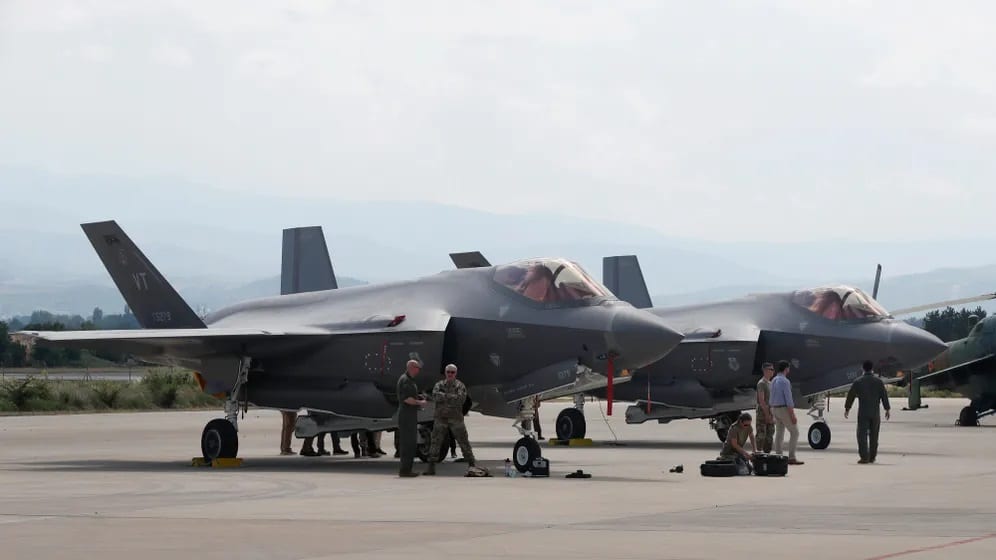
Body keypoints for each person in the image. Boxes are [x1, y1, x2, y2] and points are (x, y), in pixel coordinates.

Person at [425, 363, 476, 475]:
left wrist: (444, 396)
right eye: (448, 372)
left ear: (455, 373)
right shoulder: (439, 385)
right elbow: (435, 396)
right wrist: (451, 397)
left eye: (452, 372)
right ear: (445, 373)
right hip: (441, 418)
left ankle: (472, 464)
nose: (450, 374)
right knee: (435, 442)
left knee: (464, 441)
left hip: (455, 418)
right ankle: (431, 467)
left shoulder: (460, 386)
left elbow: (461, 399)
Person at [844, 360, 891, 464]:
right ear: (872, 369)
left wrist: (847, 408)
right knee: (874, 436)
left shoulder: (858, 382)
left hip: (863, 412)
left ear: (863, 368)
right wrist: (887, 409)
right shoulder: (879, 382)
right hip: (875, 413)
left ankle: (864, 457)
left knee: (862, 435)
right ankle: (872, 457)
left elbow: (851, 396)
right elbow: (884, 396)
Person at [769, 360, 804, 465]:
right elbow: (788, 399)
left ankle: (778, 456)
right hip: (783, 409)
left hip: (774, 408)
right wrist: (792, 414)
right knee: (795, 432)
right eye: (788, 368)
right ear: (786, 369)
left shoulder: (773, 380)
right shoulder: (785, 381)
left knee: (779, 433)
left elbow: (771, 397)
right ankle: (791, 457)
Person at [396, 359, 426, 477]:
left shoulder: (409, 380)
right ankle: (405, 470)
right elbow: (407, 399)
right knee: (407, 443)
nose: (418, 370)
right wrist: (420, 402)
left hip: (410, 415)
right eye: (417, 368)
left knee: (410, 443)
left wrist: (419, 397)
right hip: (406, 416)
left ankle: (407, 469)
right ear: (411, 367)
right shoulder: (406, 380)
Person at [755, 362, 775, 453]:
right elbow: (761, 400)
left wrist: (772, 414)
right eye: (771, 369)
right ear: (765, 370)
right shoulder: (761, 383)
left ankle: (767, 453)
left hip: (770, 412)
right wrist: (767, 414)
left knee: (770, 435)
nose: (773, 371)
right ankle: (759, 452)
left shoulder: (770, 383)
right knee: (761, 435)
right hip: (762, 413)